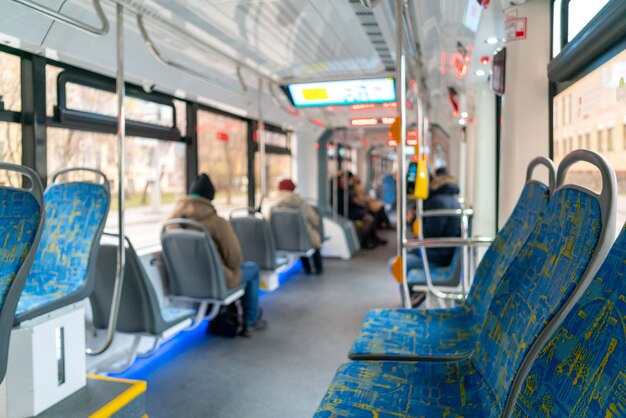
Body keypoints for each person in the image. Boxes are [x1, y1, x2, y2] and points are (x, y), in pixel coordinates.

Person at [168, 173, 266, 335]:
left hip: (183, 282)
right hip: (216, 280)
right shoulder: (217, 223)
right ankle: (250, 320)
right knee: (252, 269)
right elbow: (235, 261)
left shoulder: (171, 223)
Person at [405, 167, 462, 271]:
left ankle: (408, 287)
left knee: (399, 263)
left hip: (438, 256)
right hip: (444, 252)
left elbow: (428, 234)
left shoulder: (437, 203)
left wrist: (414, 221)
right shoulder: (451, 199)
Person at [272, 178, 323, 274]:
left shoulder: (272, 204)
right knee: (311, 237)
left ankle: (307, 268)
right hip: (301, 237)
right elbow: (314, 219)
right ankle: (318, 268)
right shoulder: (300, 202)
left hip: (279, 239)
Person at [332, 172, 386, 249]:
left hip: (352, 209)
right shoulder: (338, 192)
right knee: (369, 218)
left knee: (371, 213)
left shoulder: (346, 189)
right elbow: (349, 201)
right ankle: (364, 241)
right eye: (342, 180)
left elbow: (353, 199)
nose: (344, 181)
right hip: (346, 211)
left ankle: (372, 238)